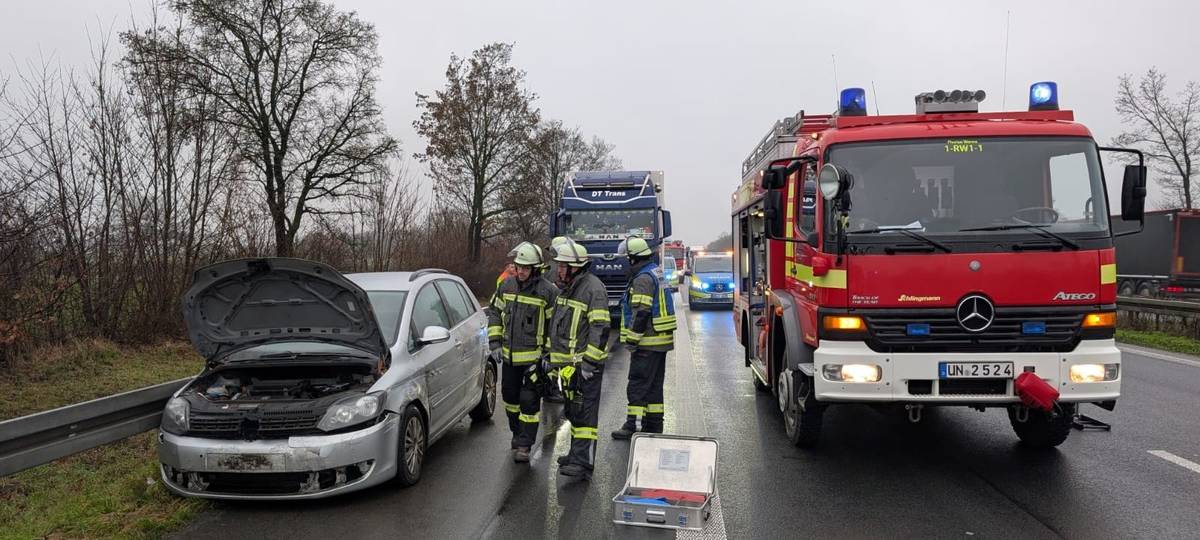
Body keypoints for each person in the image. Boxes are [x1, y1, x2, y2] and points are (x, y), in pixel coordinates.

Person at [545, 239, 611, 479]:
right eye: (559, 266)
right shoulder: (567, 288)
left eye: (564, 266)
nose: (559, 270)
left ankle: (584, 463)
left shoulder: (593, 289)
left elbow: (601, 327)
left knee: (585, 415)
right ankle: (575, 455)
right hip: (567, 367)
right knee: (574, 411)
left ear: (577, 267)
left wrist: (589, 363)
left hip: (584, 367)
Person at [487, 242, 558, 463]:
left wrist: (547, 356)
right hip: (508, 358)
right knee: (510, 399)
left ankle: (525, 445)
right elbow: (495, 312)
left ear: (535, 269)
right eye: (518, 267)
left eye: (526, 268)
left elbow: (554, 326)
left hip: (533, 361)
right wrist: (495, 342)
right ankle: (517, 434)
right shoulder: (506, 285)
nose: (521, 271)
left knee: (529, 402)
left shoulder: (548, 292)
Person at [612, 236, 676, 440]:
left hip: (647, 342)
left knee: (638, 385)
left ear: (633, 259)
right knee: (654, 386)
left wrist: (631, 341)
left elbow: (641, 312)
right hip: (659, 342)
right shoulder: (655, 273)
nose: (624, 263)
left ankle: (634, 426)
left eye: (626, 259)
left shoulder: (642, 279)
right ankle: (654, 426)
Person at [540, 236, 572, 404]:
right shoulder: (555, 269)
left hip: (555, 317)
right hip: (556, 317)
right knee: (554, 353)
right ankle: (551, 389)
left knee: (554, 353)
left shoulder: (550, 267)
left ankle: (551, 388)